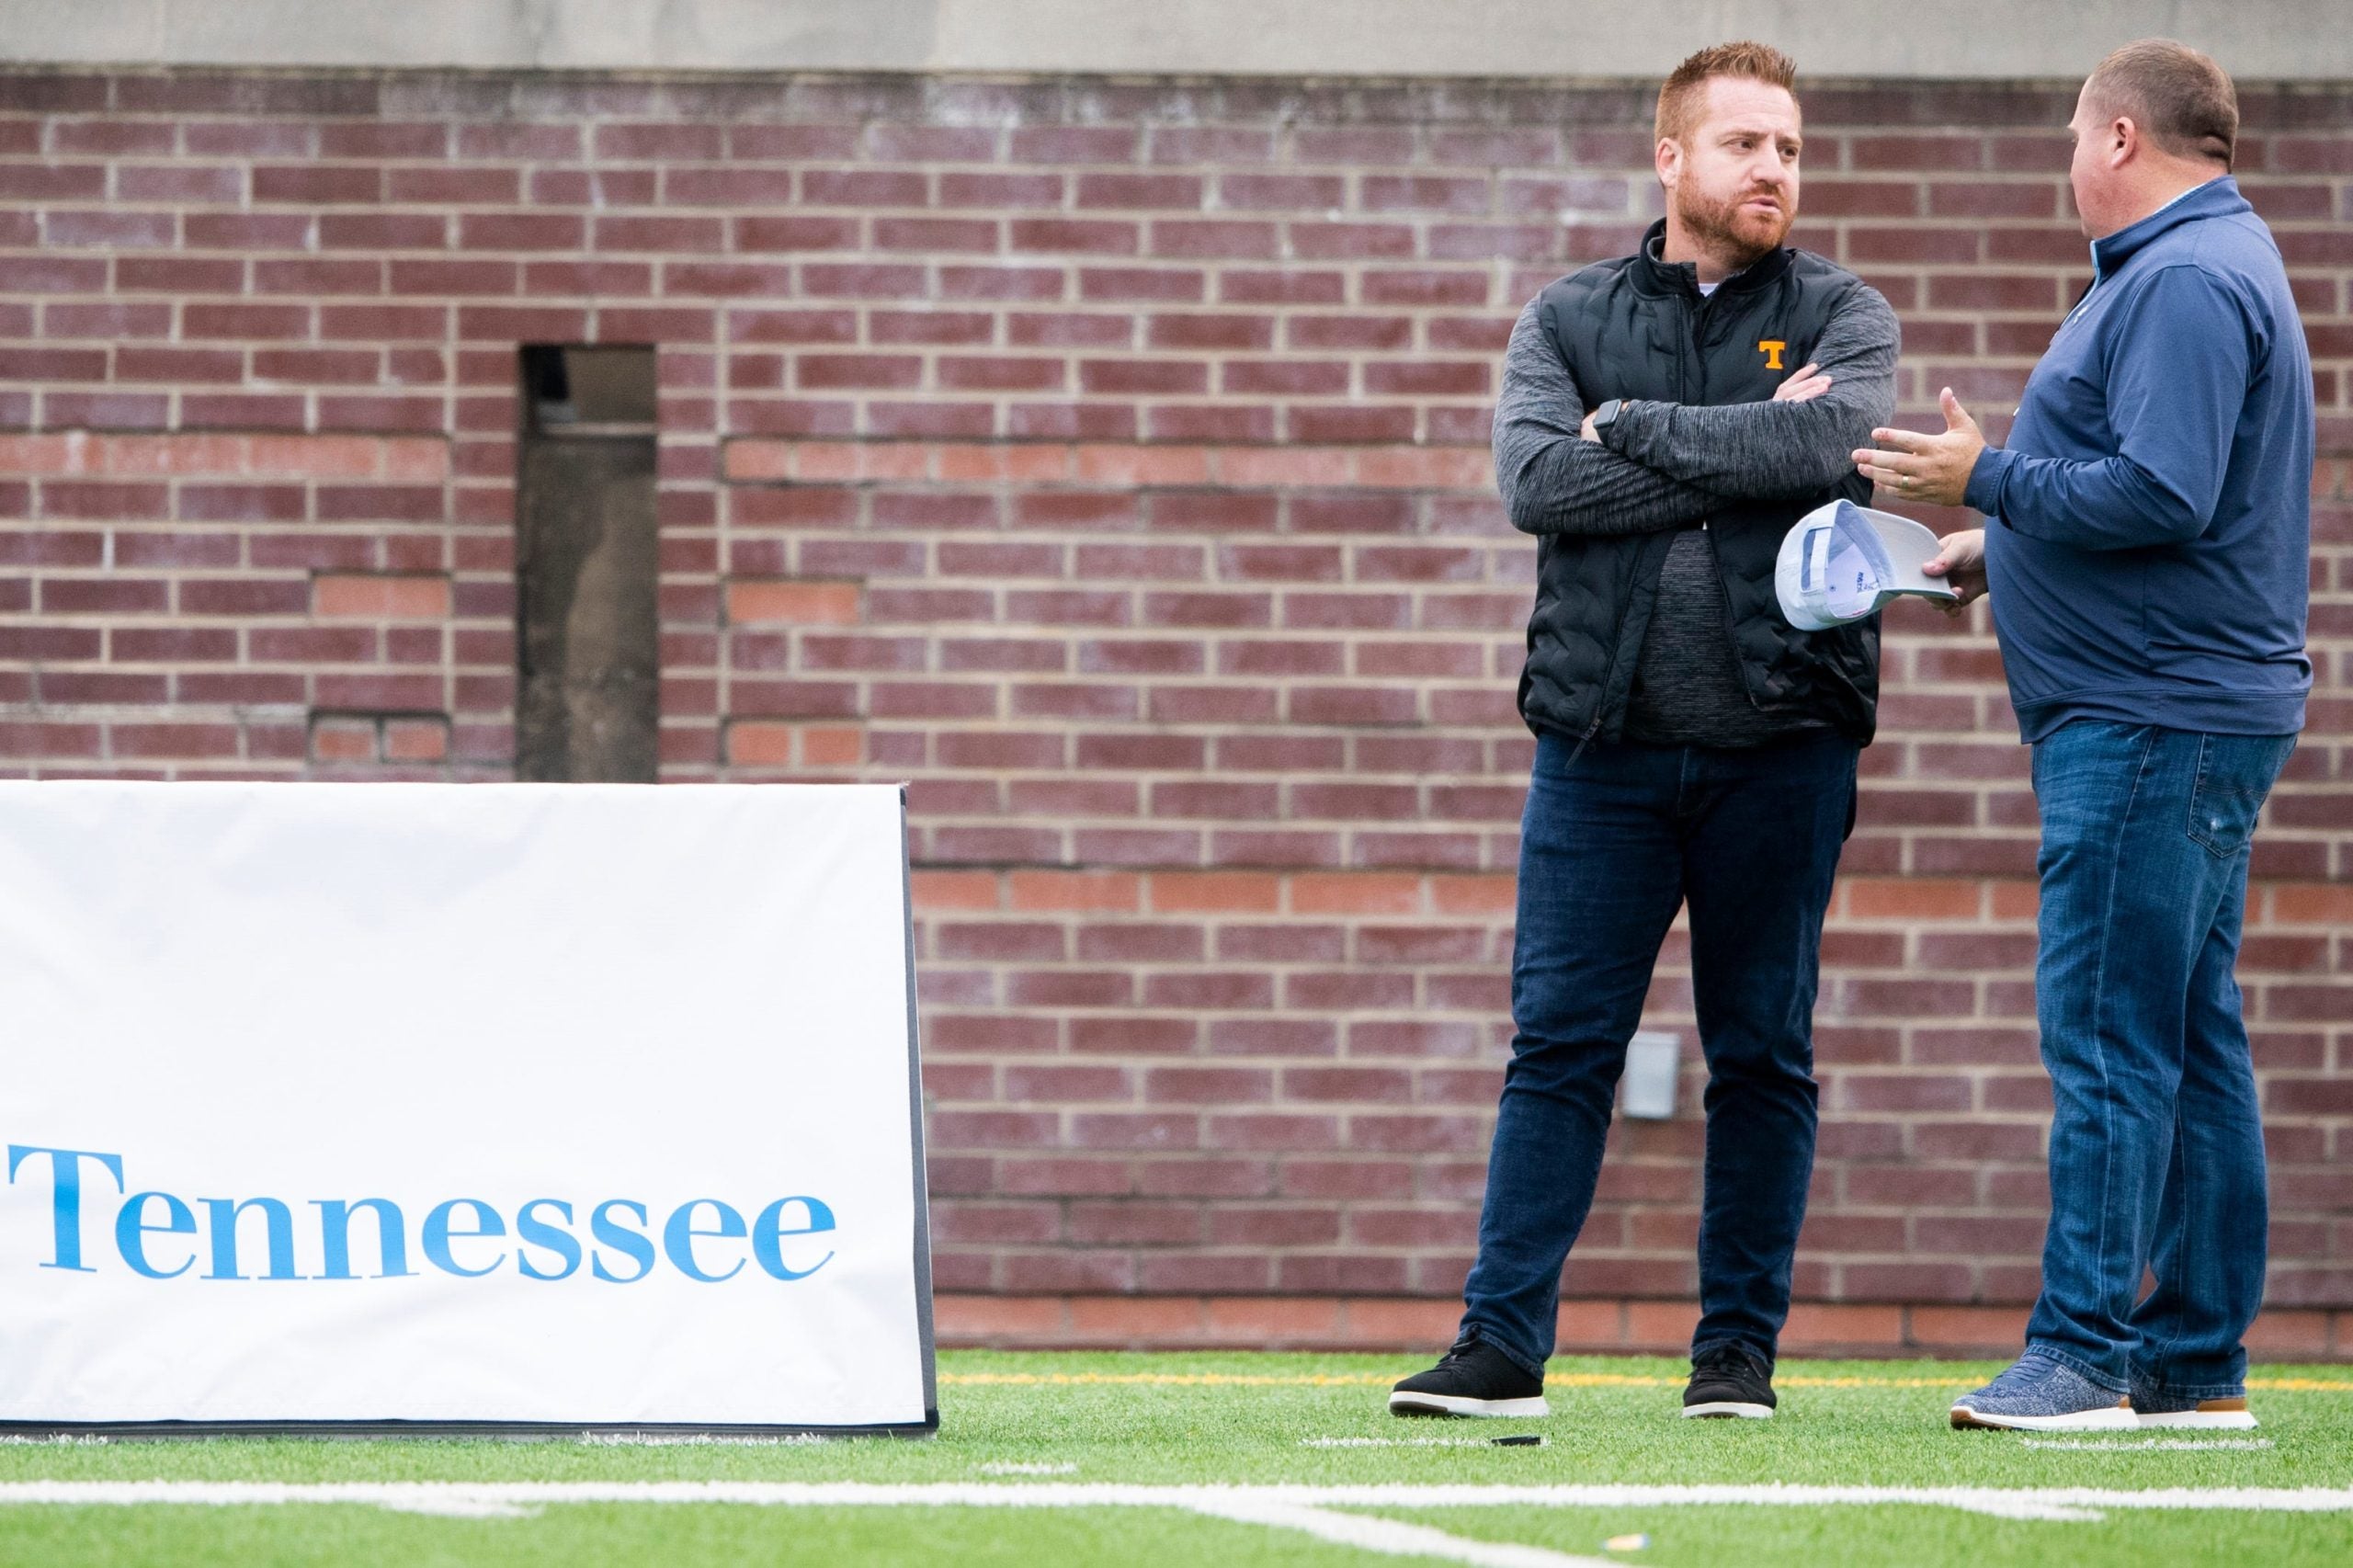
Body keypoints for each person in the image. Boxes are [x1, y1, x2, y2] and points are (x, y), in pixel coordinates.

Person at [1390, 40, 1899, 1422]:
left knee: (1762, 1051)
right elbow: (1537, 482)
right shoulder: (1565, 314)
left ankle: (1735, 1357)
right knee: (1558, 1043)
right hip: (1598, 751)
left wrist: (1642, 432)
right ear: (1670, 157)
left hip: (1784, 743)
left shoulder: (1847, 313)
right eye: (1744, 145)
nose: (1774, 170)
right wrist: (1737, 450)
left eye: (1788, 147)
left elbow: (1827, 450)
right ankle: (1501, 1347)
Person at [1854, 40, 2312, 1433]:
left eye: (2073, 137)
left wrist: (1978, 472)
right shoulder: (2216, 260)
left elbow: (2164, 492)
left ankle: (2086, 1354)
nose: (2067, 163)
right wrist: (2008, 543)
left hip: (2151, 717)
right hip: (2183, 706)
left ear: (2120, 138)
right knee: (2186, 1032)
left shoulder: (2179, 276)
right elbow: (2160, 490)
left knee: (2111, 1035)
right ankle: (2193, 1363)